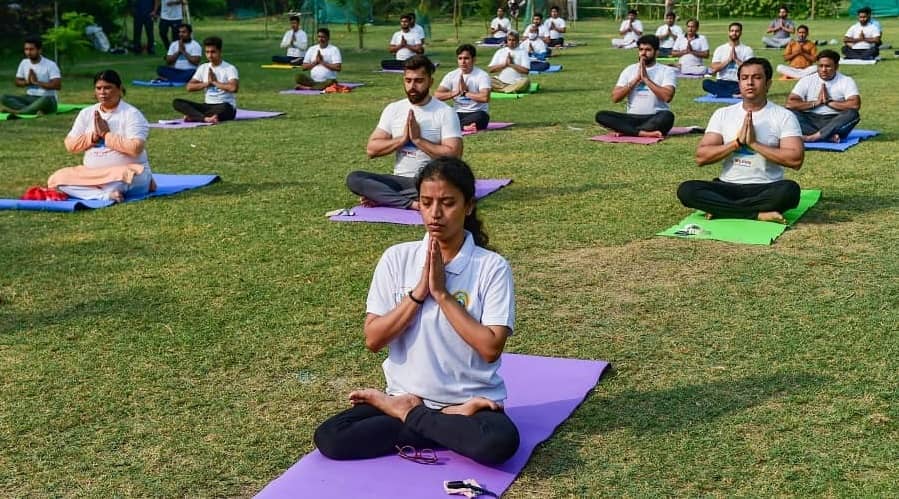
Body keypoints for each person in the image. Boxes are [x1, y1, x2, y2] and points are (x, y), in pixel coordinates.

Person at [316, 156, 520, 467]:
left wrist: (441, 294)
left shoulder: (491, 267)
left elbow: (490, 348)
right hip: (405, 393)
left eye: (448, 203)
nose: (435, 213)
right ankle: (437, 421)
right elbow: (373, 339)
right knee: (333, 436)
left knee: (498, 443)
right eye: (426, 202)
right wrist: (417, 294)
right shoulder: (397, 258)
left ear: (468, 206)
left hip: (469, 403)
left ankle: (412, 414)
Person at [677, 57, 804, 223]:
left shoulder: (784, 116)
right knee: (687, 190)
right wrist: (736, 143)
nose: (749, 83)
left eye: (757, 78)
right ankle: (757, 214)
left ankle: (722, 209)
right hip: (727, 186)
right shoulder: (723, 114)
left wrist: (754, 144)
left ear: (768, 84)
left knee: (790, 191)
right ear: (739, 83)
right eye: (744, 78)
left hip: (766, 187)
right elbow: (701, 157)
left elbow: (796, 160)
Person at [346, 56, 462, 210]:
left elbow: (454, 155)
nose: (412, 86)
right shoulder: (394, 109)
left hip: (432, 180)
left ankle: (386, 197)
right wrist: (402, 140)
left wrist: (418, 140)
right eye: (408, 81)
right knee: (354, 178)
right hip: (401, 181)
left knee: (446, 185)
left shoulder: (445, 112)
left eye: (419, 81)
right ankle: (412, 203)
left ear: (430, 82)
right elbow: (371, 149)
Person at [47, 70, 154, 203]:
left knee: (124, 178)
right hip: (93, 174)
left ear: (120, 89)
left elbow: (135, 148)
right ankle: (105, 195)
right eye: (99, 88)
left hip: (125, 173)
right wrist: (94, 137)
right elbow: (70, 145)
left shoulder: (131, 114)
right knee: (57, 179)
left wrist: (106, 135)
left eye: (108, 88)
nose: (102, 92)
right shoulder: (86, 113)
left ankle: (98, 191)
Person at [595, 35, 676, 138]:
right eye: (641, 49)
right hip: (631, 118)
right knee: (601, 115)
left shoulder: (666, 71)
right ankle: (642, 133)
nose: (643, 53)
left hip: (654, 117)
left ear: (656, 52)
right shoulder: (629, 70)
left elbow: (667, 97)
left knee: (668, 116)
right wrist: (635, 80)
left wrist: (646, 79)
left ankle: (626, 130)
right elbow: (615, 98)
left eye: (648, 50)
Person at [785, 50, 861, 143]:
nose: (823, 69)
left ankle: (812, 137)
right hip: (809, 119)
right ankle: (827, 135)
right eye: (820, 66)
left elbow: (855, 105)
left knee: (853, 114)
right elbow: (790, 103)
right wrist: (816, 103)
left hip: (834, 120)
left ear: (836, 67)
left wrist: (829, 102)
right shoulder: (807, 80)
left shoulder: (846, 81)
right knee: (788, 112)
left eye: (828, 66)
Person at [172, 36, 239, 124]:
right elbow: (189, 87)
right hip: (207, 106)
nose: (210, 55)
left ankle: (195, 116)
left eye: (213, 52)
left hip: (223, 106)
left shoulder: (229, 68)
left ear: (220, 51)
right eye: (207, 52)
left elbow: (233, 88)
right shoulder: (203, 68)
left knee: (226, 108)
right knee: (177, 102)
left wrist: (215, 82)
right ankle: (205, 119)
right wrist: (207, 84)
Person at [435, 44, 492, 132]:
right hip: (457, 112)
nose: (463, 62)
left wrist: (465, 93)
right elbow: (437, 95)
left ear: (474, 60)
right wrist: (455, 93)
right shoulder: (451, 75)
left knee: (482, 117)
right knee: (442, 114)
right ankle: (464, 126)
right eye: (460, 58)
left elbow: (485, 98)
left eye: (466, 58)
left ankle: (456, 126)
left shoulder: (482, 75)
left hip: (476, 113)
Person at [1, 37, 61, 116]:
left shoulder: (50, 65)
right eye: (26, 49)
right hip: (29, 98)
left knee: (47, 98)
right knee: (3, 97)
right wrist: (27, 82)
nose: (28, 52)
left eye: (31, 49)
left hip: (46, 99)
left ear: (39, 50)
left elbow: (57, 85)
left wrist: (37, 82)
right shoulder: (24, 63)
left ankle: (18, 112)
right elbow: (17, 82)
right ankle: (32, 110)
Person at [703, 22, 754, 98]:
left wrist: (737, 60)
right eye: (732, 31)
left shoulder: (747, 50)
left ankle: (723, 94)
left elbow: (751, 69)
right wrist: (728, 60)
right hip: (722, 82)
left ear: (740, 33)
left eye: (737, 31)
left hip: (738, 83)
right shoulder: (720, 49)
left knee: (753, 85)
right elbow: (714, 69)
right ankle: (733, 95)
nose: (734, 33)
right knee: (706, 83)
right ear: (728, 32)